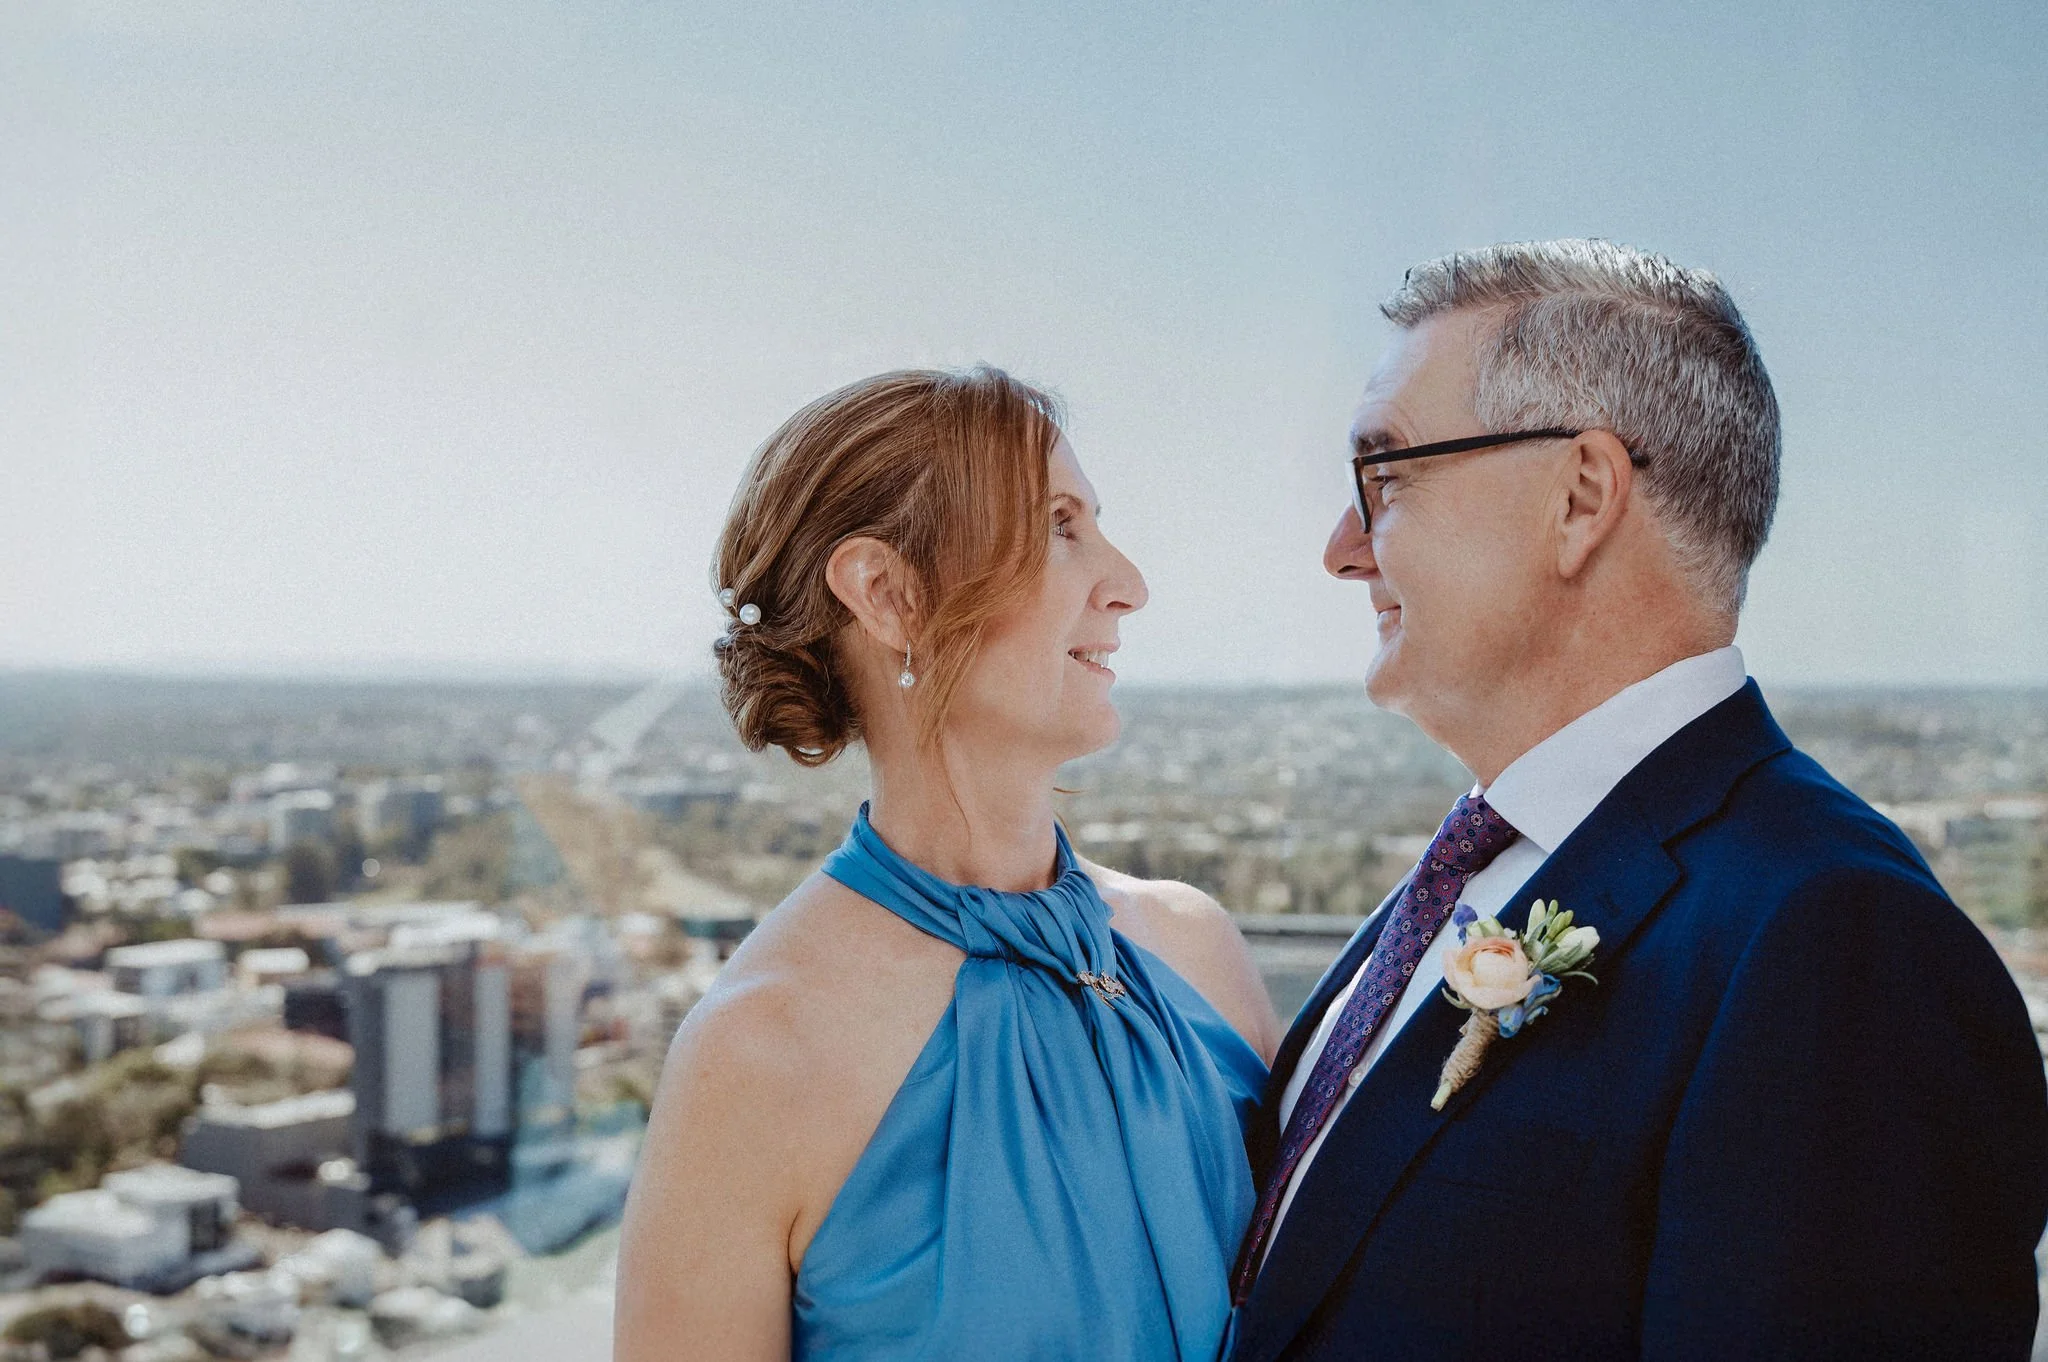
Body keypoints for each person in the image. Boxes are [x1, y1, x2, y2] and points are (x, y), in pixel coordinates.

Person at [1227, 239, 2048, 1361]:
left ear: (1580, 497)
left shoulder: (1832, 941)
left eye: (1386, 473)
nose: (1339, 549)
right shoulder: (1477, 870)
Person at [614, 366, 1281, 1361]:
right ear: (888, 594)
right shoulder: (756, 1053)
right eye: (1060, 527)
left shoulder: (1198, 950)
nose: (1128, 584)